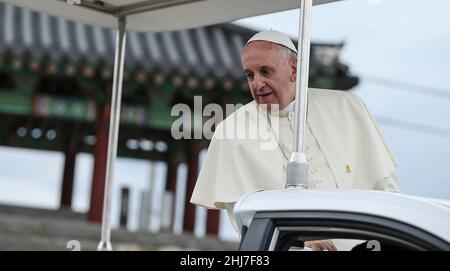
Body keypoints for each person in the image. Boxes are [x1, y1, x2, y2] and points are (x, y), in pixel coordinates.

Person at [190, 30, 400, 251]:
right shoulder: (230, 131)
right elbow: (245, 220)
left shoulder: (347, 107)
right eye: (250, 75)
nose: (257, 84)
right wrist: (298, 244)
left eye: (265, 71)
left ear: (294, 69)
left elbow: (385, 187)